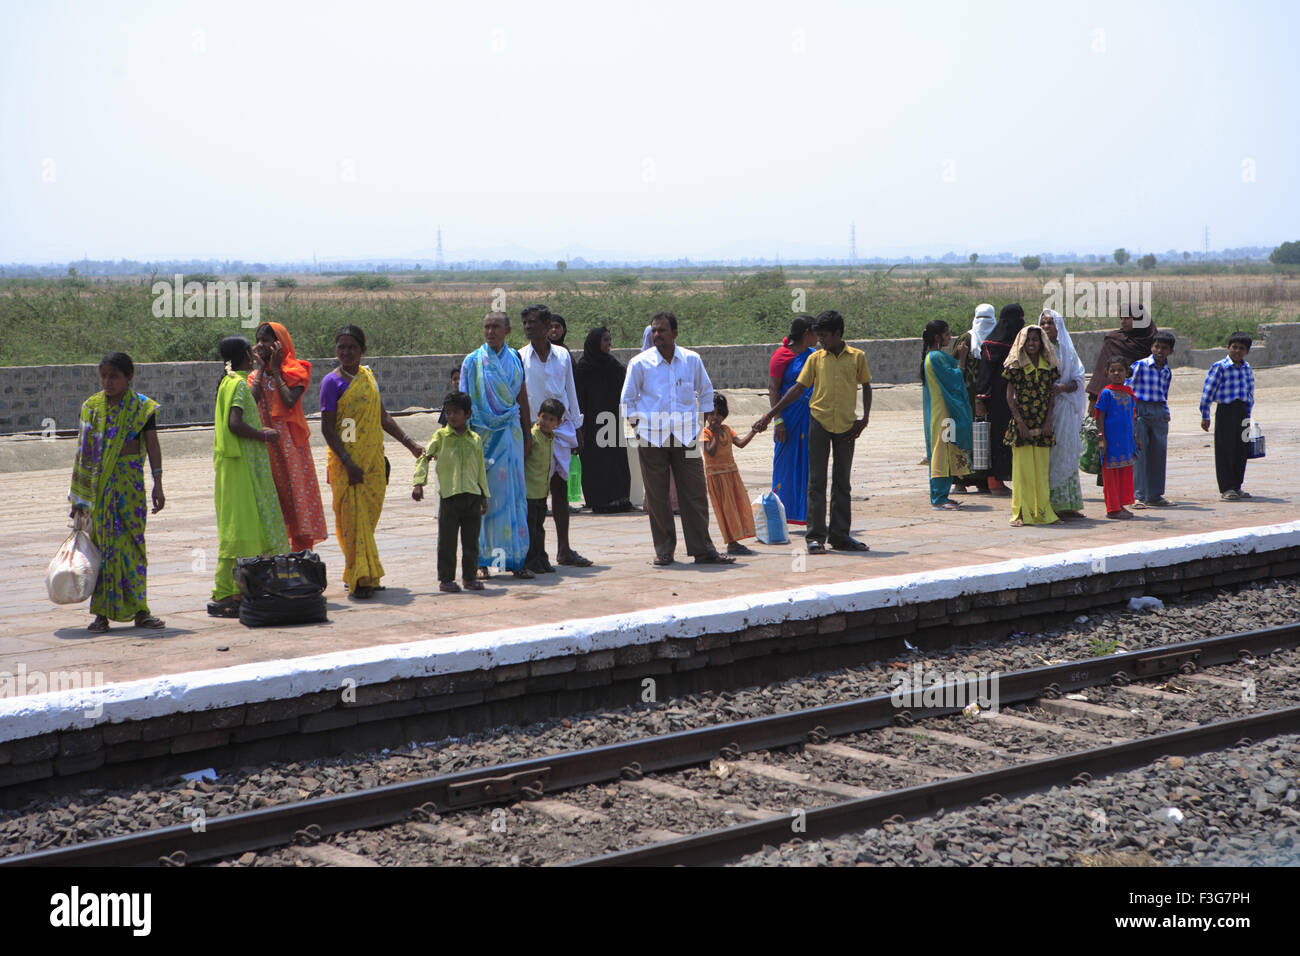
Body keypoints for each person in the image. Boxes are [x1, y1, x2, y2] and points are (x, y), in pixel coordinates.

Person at [621, 311, 734, 565]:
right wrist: (639, 427)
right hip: (652, 438)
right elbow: (626, 401)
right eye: (654, 330)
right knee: (658, 496)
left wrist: (703, 424)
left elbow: (705, 391)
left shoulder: (691, 360)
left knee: (694, 494)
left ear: (675, 333)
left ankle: (703, 549)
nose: (657, 334)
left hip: (686, 437)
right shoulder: (640, 363)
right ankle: (664, 550)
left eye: (662, 330)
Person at [319, 324, 423, 599]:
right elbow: (328, 429)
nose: (346, 352)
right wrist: (348, 462)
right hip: (346, 463)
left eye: (352, 347)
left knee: (368, 520)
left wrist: (409, 443)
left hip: (374, 460)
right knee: (352, 522)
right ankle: (360, 577)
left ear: (363, 350)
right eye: (341, 347)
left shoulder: (368, 377)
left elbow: (383, 416)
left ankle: (361, 570)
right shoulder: (332, 382)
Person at [756, 310, 872, 553]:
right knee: (816, 481)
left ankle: (840, 535)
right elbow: (796, 390)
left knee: (842, 483)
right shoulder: (815, 359)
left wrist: (865, 419)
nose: (820, 342)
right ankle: (815, 537)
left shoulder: (857, 357)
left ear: (838, 334)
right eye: (817, 336)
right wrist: (771, 416)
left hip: (847, 425)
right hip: (818, 422)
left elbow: (866, 386)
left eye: (825, 337)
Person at [68, 352, 165, 632]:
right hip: (99, 490)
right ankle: (101, 614)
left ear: (129, 377)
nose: (108, 382)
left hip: (129, 486)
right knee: (101, 548)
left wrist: (158, 481)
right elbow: (83, 454)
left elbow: (153, 445)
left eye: (114, 376)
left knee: (134, 547)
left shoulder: (143, 409)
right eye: (104, 376)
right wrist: (78, 497)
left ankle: (140, 611)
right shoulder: (92, 407)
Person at [211, 337, 290, 617]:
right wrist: (263, 434)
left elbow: (249, 398)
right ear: (246, 354)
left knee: (238, 528)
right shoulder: (237, 384)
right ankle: (226, 594)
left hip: (233, 465)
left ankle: (231, 590)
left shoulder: (229, 381)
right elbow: (235, 423)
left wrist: (260, 366)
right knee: (241, 529)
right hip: (241, 465)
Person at [460, 312, 534, 578]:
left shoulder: (515, 360)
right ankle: (480, 562)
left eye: (495, 327)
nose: (490, 331)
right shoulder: (473, 361)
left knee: (513, 497)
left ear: (507, 330)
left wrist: (527, 435)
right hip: (482, 438)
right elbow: (463, 403)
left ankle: (515, 560)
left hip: (510, 436)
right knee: (482, 499)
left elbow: (522, 399)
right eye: (486, 327)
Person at [520, 305, 591, 566]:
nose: (528, 326)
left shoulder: (561, 355)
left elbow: (570, 390)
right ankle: (532, 552)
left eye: (533, 322)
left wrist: (578, 426)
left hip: (562, 430)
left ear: (547, 324)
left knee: (560, 490)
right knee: (533, 495)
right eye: (525, 322)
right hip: (533, 431)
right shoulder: (520, 357)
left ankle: (564, 549)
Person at [248, 322, 328, 552]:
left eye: (267, 340)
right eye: (259, 340)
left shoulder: (296, 370)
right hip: (266, 443)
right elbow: (251, 402)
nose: (262, 345)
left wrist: (275, 371)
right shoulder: (255, 376)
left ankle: (301, 551)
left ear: (280, 343)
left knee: (296, 494)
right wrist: (263, 370)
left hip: (291, 447)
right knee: (272, 495)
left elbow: (290, 400)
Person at [412, 390, 488, 593]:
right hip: (449, 498)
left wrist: (484, 496)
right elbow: (424, 457)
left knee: (471, 542)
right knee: (447, 542)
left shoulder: (475, 439)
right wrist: (419, 483)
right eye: (448, 412)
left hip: (472, 497)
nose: (451, 416)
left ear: (468, 414)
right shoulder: (441, 436)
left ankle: (470, 577)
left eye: (456, 412)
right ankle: (446, 579)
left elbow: (480, 469)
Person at [1002, 325, 1060, 526]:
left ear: (1042, 342)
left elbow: (1052, 396)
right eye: (1028, 340)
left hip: (1043, 423)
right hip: (1022, 425)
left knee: (1041, 473)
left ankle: (1043, 513)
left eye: (1036, 339)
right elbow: (1010, 397)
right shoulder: (1015, 367)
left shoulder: (1049, 367)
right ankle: (1020, 514)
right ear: (1021, 343)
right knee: (1022, 472)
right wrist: (1020, 423)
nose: (1032, 343)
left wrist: (1048, 421)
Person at [574, 326, 634, 512]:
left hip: (610, 420)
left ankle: (619, 498)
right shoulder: (584, 368)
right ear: (595, 343)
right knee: (595, 462)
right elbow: (578, 396)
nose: (609, 344)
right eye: (605, 340)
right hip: (591, 423)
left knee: (615, 460)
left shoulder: (612, 365)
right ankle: (599, 500)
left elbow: (626, 385)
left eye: (609, 340)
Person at [767, 315, 817, 523]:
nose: (819, 337)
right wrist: (777, 420)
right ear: (806, 333)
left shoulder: (814, 356)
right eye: (816, 332)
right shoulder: (781, 356)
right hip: (787, 417)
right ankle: (781, 512)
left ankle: (805, 513)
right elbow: (773, 389)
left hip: (810, 416)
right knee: (785, 465)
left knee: (809, 464)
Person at [1039, 309, 1087, 518]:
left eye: (1050, 323)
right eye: (1043, 323)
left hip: (1064, 407)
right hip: (1042, 409)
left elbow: (1078, 377)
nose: (1047, 326)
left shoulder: (1066, 349)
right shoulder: (1036, 349)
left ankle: (1068, 503)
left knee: (1065, 451)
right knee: (1048, 456)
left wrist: (1062, 388)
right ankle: (1048, 504)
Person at [920, 320, 972, 511]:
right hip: (943, 413)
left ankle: (942, 495)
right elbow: (955, 378)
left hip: (942, 413)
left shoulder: (934, 356)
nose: (949, 337)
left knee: (946, 452)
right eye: (947, 334)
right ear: (937, 337)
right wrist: (963, 359)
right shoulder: (935, 357)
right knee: (941, 453)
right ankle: (939, 498)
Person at [974, 304, 1025, 496]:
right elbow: (985, 375)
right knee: (996, 438)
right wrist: (980, 399)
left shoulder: (1017, 343)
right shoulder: (993, 345)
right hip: (997, 399)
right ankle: (995, 482)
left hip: (1012, 398)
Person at [1199, 332, 1256, 501]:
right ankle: (1226, 487)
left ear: (1247, 351)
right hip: (1226, 410)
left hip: (1243, 411)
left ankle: (1237, 486)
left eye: (1242, 348)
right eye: (1234, 347)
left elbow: (1250, 392)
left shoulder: (1247, 368)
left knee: (1241, 450)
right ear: (1228, 348)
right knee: (1225, 449)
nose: (1237, 351)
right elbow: (1208, 391)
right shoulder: (1220, 367)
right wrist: (1205, 414)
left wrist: (1249, 415)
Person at [702, 394, 759, 554]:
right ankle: (731, 542)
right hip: (717, 478)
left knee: (737, 507)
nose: (715, 418)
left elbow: (740, 443)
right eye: (711, 414)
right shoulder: (706, 433)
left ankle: (736, 539)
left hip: (731, 475)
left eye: (718, 414)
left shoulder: (727, 430)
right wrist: (714, 433)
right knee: (725, 510)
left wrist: (753, 431)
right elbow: (710, 452)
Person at [948, 304, 995, 494]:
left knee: (984, 440)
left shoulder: (996, 338)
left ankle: (984, 480)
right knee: (964, 439)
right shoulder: (966, 338)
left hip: (988, 399)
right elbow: (953, 365)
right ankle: (960, 479)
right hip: (965, 399)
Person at [1127, 330, 1177, 508]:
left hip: (1158, 412)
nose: (1159, 351)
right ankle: (1138, 496)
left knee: (1158, 453)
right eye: (1156, 346)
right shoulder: (1139, 366)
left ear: (1170, 351)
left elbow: (1164, 393)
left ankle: (1155, 495)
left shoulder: (1167, 371)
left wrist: (1165, 411)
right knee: (1139, 454)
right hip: (1140, 409)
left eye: (1164, 348)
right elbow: (1128, 388)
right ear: (1151, 347)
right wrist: (1130, 412)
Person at [1087, 303, 1157, 412]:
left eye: (1127, 318)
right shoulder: (1114, 340)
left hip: (1145, 401)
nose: (1123, 321)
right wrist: (1093, 399)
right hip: (1115, 399)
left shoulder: (1152, 340)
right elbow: (1101, 372)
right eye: (1121, 318)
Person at [523, 398, 565, 573]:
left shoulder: (551, 438)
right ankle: (531, 561)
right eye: (544, 417)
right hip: (529, 492)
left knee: (539, 528)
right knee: (530, 529)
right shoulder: (532, 437)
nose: (546, 422)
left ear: (558, 423)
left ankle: (541, 558)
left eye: (551, 420)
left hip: (541, 492)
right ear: (538, 415)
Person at [1095, 357, 1138, 519]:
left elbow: (1131, 417)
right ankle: (1112, 508)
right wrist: (1101, 438)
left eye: (1120, 370)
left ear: (1127, 372)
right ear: (1107, 373)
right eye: (1112, 370)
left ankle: (1121, 505)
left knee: (1124, 472)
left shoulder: (1129, 393)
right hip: (1111, 441)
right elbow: (1100, 415)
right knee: (1111, 474)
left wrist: (1135, 438)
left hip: (1126, 441)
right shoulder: (1106, 393)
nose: (1116, 373)